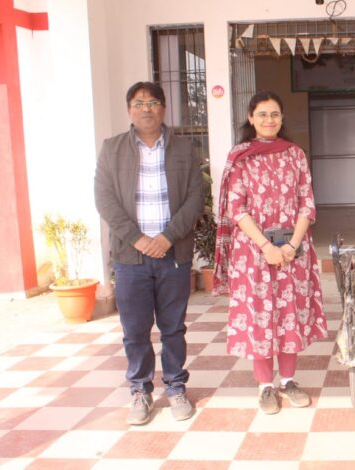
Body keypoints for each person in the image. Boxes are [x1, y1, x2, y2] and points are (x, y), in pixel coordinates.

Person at [94, 81, 203, 425]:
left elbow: (196, 198)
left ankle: (175, 387)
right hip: (131, 258)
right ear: (129, 110)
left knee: (173, 328)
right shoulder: (112, 149)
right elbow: (104, 199)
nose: (146, 109)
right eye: (139, 103)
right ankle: (141, 390)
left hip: (173, 254)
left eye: (153, 102)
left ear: (163, 108)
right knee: (135, 330)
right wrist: (138, 239)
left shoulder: (184, 149)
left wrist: (168, 237)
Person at [213, 91, 327, 415]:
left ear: (282, 118)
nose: (269, 120)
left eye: (274, 114)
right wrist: (266, 246)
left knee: (290, 313)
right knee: (260, 317)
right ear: (251, 118)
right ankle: (265, 386)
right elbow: (236, 208)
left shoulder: (295, 154)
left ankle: (288, 381)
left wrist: (291, 246)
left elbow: (307, 202)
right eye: (262, 114)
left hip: (292, 250)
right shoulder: (241, 157)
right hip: (254, 254)